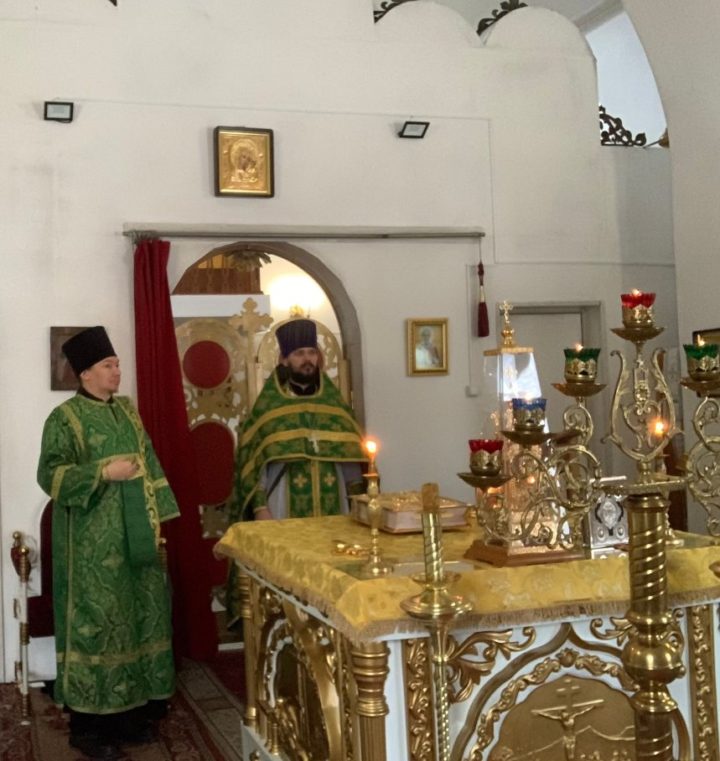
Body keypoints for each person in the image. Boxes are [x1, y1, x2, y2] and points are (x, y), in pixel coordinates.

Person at [37, 326, 180, 761]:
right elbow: (50, 475)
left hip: (137, 537)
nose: (118, 371)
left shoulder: (128, 411)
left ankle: (130, 717)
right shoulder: (64, 419)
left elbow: (149, 460)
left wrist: (161, 521)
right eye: (108, 365)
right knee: (99, 627)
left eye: (117, 364)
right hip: (91, 549)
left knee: (138, 619)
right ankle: (89, 729)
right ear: (85, 374)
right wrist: (102, 472)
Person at [231, 318, 367, 523]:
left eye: (312, 352)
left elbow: (350, 458)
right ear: (284, 359)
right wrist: (260, 508)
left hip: (334, 502)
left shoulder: (334, 405)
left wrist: (359, 501)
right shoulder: (270, 406)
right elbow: (256, 463)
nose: (307, 359)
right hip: (282, 504)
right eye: (299, 353)